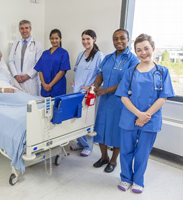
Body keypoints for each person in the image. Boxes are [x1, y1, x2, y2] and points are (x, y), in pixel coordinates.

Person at [115, 34, 175, 193]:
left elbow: (163, 97)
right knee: (126, 150)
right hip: (129, 117)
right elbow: (123, 97)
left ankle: (138, 181)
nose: (143, 53)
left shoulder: (162, 72)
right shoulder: (130, 72)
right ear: (135, 52)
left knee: (142, 152)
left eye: (146, 48)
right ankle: (125, 178)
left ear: (153, 48)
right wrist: (138, 114)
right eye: (139, 50)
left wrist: (145, 116)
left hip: (150, 119)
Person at [92, 29, 139, 173]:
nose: (119, 41)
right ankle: (104, 157)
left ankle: (113, 161)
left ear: (128, 39)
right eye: (115, 39)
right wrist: (94, 87)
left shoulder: (133, 60)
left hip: (120, 102)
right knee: (100, 129)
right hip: (105, 101)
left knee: (116, 131)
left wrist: (105, 90)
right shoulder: (107, 58)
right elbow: (100, 75)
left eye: (122, 38)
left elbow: (127, 82)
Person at [69, 29, 104, 157]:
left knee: (87, 120)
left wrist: (91, 86)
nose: (85, 41)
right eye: (83, 39)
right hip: (76, 92)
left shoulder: (99, 55)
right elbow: (78, 71)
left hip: (88, 94)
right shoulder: (80, 54)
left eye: (88, 39)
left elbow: (101, 75)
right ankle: (80, 142)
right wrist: (74, 79)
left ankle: (88, 146)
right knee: (77, 119)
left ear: (94, 39)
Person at [9, 20, 43, 96]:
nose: (24, 31)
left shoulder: (37, 45)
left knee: (32, 103)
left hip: (31, 81)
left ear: (30, 29)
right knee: (18, 102)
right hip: (17, 81)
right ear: (19, 30)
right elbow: (11, 61)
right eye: (22, 28)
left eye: (26, 28)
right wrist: (15, 75)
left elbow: (39, 63)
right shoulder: (15, 44)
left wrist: (28, 75)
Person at [34, 29, 71, 97]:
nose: (54, 41)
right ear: (49, 39)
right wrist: (44, 84)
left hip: (57, 88)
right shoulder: (45, 53)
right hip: (45, 88)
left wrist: (50, 85)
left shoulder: (64, 53)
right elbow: (40, 70)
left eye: (56, 38)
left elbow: (62, 71)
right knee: (44, 106)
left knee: (56, 106)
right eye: (52, 38)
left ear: (60, 39)